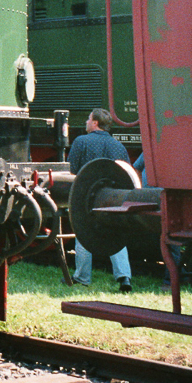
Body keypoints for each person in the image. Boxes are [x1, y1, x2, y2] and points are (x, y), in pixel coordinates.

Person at [69, 108, 133, 292]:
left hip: (87, 196)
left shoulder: (81, 142)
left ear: (95, 122)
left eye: (88, 119)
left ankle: (82, 277)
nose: (86, 122)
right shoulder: (118, 146)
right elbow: (126, 172)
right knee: (116, 237)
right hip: (112, 197)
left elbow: (72, 169)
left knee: (83, 235)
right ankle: (124, 277)